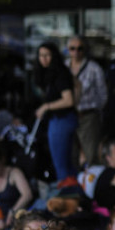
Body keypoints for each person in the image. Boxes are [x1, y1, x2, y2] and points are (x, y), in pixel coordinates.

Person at [32, 41, 78, 184]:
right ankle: (70, 190)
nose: (44, 59)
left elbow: (69, 100)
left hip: (62, 120)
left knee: (61, 165)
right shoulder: (50, 74)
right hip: (59, 120)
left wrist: (46, 107)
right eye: (41, 55)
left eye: (47, 55)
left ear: (54, 56)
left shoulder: (60, 73)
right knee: (66, 164)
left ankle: (65, 192)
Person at [65, 35, 108, 168]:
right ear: (68, 49)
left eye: (80, 48)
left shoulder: (94, 68)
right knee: (70, 154)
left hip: (88, 116)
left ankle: (92, 180)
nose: (76, 52)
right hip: (68, 115)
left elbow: (103, 95)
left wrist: (92, 111)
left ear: (84, 50)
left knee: (91, 154)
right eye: (72, 48)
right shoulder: (64, 67)